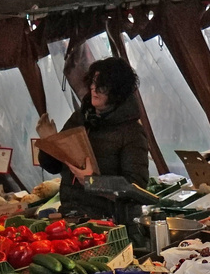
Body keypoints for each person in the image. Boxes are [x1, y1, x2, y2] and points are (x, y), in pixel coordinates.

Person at [35, 57, 152, 219]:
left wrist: (93, 182)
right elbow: (54, 167)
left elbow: (137, 188)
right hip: (72, 215)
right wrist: (49, 143)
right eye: (93, 82)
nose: (93, 88)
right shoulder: (79, 119)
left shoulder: (131, 131)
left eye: (101, 85)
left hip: (111, 222)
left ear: (118, 90)